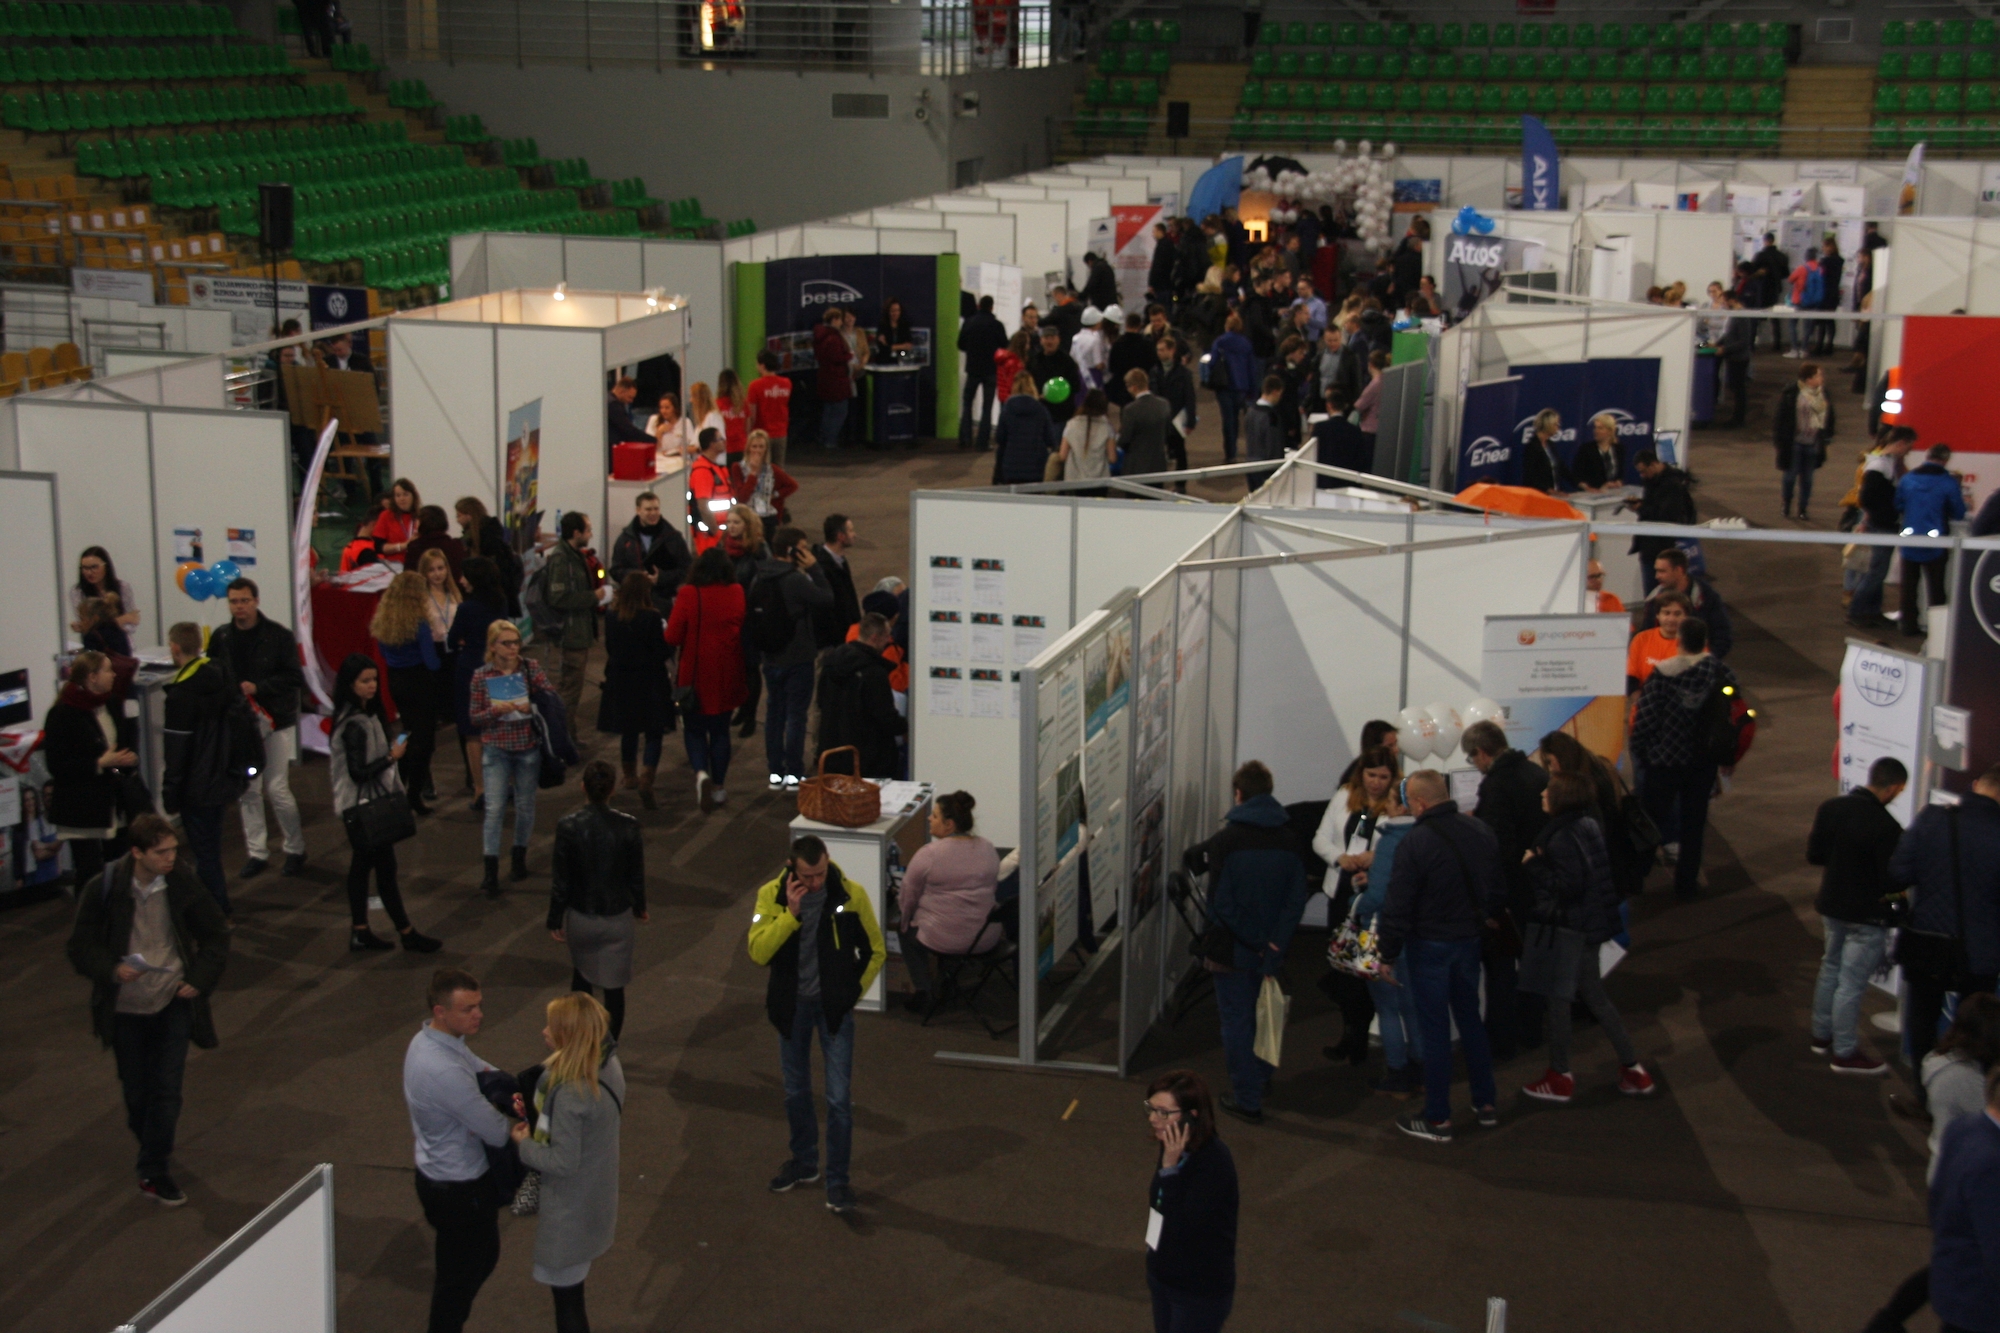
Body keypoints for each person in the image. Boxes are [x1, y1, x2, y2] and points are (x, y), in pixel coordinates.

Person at [66, 812, 230, 1209]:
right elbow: (80, 946)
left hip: (171, 1001)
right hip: (126, 1010)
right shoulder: (104, 887)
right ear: (137, 852)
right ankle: (153, 1150)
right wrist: (111, 969)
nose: (171, 858)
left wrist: (199, 979)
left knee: (167, 1092)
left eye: (173, 850)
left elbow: (215, 934)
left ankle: (153, 1169)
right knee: (137, 1093)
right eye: (161, 852)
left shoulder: (182, 882)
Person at [746, 834, 885, 1216]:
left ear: (828, 861)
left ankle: (837, 1181)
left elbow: (875, 950)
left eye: (821, 873)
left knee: (839, 1099)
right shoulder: (769, 898)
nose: (816, 882)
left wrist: (849, 994)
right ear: (792, 869)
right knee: (796, 1092)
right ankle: (805, 1162)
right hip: (792, 1009)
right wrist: (790, 917)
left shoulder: (851, 895)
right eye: (808, 876)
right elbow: (758, 952)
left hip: (833, 1011)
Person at [1375, 769, 1504, 1142]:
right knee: (1471, 1022)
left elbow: (1398, 904)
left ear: (1419, 802)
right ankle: (1486, 1102)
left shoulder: (1415, 842)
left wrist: (1387, 952)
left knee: (1434, 1032)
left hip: (1429, 945)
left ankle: (1437, 1118)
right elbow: (1497, 887)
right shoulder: (1480, 830)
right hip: (1468, 941)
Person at [1180, 761, 1310, 1124]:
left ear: (1238, 794)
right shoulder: (1290, 839)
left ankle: (1248, 1098)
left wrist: (1253, 940)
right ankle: (1261, 1078)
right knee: (1267, 1016)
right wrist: (1273, 944)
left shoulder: (1226, 840)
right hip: (1273, 951)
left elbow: (1222, 904)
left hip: (1232, 949)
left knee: (1237, 1023)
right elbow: (1296, 899)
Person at [1517, 772, 1655, 1103]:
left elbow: (1568, 886)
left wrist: (1534, 865)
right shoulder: (1588, 825)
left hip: (1570, 930)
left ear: (1561, 797)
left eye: (1548, 791)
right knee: (1595, 997)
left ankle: (1560, 1076)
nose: (1542, 794)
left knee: (1559, 1002)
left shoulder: (1561, 837)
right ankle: (1633, 1069)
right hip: (1590, 926)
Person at [1865, 996, 2000, 1333]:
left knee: (1946, 1263)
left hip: (1946, 1171)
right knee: (1954, 1264)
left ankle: (1886, 1322)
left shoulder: (1942, 1066)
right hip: (1977, 1304)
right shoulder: (1969, 1088)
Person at [403, 968, 514, 1333]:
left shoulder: (431, 1040)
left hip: (442, 1178)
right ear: (440, 1011)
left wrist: (506, 1086)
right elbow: (495, 1131)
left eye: (479, 1005)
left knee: (470, 1265)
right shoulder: (442, 1070)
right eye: (468, 1009)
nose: (479, 1014)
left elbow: (478, 1068)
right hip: (460, 1190)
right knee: (459, 1281)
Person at [510, 992, 625, 1333]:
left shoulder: (571, 1092)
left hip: (571, 1211)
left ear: (570, 1035)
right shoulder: (608, 1066)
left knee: (568, 1302)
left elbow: (561, 1161)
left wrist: (524, 1144)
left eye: (552, 1027)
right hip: (596, 1197)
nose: (545, 1031)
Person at [1890, 763, 2000, 1082]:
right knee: (1976, 1031)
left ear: (1976, 784)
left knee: (1922, 1022)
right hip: (1980, 953)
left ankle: (1924, 1092)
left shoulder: (1933, 819)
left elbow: (1898, 872)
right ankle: (1968, 1096)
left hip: (1928, 942)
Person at [328, 654, 442, 953]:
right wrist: (392, 756)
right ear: (350, 684)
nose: (372, 686)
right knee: (382, 870)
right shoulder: (355, 724)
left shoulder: (363, 716)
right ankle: (404, 933)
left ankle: (365, 931)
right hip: (363, 806)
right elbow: (358, 772)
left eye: (374, 680)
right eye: (364, 681)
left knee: (365, 868)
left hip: (362, 806)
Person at [1806, 755, 1907, 1075]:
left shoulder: (1831, 808)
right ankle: (1845, 1052)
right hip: (1866, 916)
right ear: (1892, 788)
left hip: (1832, 905)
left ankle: (1821, 1035)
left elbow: (1815, 855)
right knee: (1851, 984)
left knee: (1830, 969)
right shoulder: (1887, 827)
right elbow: (1890, 881)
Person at [1630, 616, 1736, 901]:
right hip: (1702, 763)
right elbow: (1734, 716)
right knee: (1693, 825)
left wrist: (1641, 752)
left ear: (1678, 641)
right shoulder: (1721, 672)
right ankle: (1686, 884)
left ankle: (1637, 878)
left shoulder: (1662, 674)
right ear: (1705, 642)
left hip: (1663, 763)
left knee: (1650, 822)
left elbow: (1645, 719)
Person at [207, 578, 307, 879]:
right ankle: (257, 852)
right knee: (248, 790)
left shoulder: (279, 636)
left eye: (244, 601)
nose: (239, 607)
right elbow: (213, 674)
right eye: (234, 601)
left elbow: (294, 678)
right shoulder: (221, 637)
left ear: (256, 601)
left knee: (276, 788)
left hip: (275, 721)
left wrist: (259, 687)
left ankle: (295, 848)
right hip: (240, 723)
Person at [1461, 719, 1548, 1062]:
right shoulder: (1536, 773)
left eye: (1472, 758)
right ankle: (1532, 1030)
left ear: (1481, 752)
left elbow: (1495, 848)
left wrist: (1492, 901)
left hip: (1510, 891)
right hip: (1539, 884)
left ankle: (1501, 1039)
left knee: (1500, 968)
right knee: (1534, 964)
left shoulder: (1497, 786)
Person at [1312, 745, 1397, 1067]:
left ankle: (1358, 1036)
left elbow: (1403, 848)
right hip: (1341, 894)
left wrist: (1377, 858)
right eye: (1371, 775)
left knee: (1365, 971)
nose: (1376, 782)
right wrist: (1339, 857)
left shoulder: (1397, 804)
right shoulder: (1345, 796)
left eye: (1383, 777)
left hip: (1372, 901)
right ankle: (1351, 1033)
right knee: (1342, 968)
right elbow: (1320, 839)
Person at [550, 764, 646, 1041]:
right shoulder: (629, 825)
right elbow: (635, 874)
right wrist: (640, 907)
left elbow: (561, 879)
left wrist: (555, 918)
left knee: (581, 981)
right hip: (617, 918)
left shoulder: (568, 826)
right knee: (614, 991)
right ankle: (608, 1050)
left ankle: (579, 1045)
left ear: (583, 787)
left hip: (581, 917)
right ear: (612, 790)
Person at [1143, 1068, 1238, 1333]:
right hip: (1163, 1275)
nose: (1153, 1118)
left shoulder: (1214, 1163)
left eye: (1163, 1112)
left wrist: (1169, 1169)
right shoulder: (1174, 1143)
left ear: (1191, 1115)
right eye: (1151, 1108)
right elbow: (1160, 1204)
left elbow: (1187, 1225)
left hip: (1197, 1290)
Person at [162, 621, 243, 914]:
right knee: (211, 848)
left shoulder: (181, 695)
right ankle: (215, 909)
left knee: (204, 853)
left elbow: (177, 752)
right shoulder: (221, 677)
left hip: (196, 785)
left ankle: (216, 912)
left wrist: (169, 793)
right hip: (221, 777)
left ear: (174, 648)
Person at [894, 789, 1001, 1011]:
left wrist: (905, 920)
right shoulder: (988, 847)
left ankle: (924, 992)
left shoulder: (929, 854)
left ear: (949, 824)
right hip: (987, 937)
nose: (929, 818)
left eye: (934, 816)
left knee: (905, 931)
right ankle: (948, 981)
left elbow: (907, 897)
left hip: (946, 937)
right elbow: (992, 889)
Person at [470, 620, 554, 896]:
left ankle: (519, 857)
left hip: (527, 747)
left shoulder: (530, 668)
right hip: (496, 749)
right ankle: (490, 872)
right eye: (506, 643)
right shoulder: (481, 676)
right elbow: (474, 718)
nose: (513, 648)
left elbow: (551, 699)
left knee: (525, 805)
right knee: (494, 809)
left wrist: (531, 704)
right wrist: (497, 710)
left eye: (516, 642)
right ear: (493, 646)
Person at [45, 651, 139, 888]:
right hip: (81, 807)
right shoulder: (62, 714)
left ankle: (115, 911)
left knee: (119, 868)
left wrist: (126, 759)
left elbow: (122, 743)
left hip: (112, 802)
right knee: (90, 875)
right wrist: (98, 764)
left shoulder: (111, 704)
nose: (114, 674)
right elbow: (56, 765)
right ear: (92, 677)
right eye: (108, 670)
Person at [665, 546, 747, 812]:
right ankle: (719, 787)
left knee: (694, 729)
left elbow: (672, 636)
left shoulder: (689, 594)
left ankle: (701, 773)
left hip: (695, 673)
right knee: (721, 731)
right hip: (727, 671)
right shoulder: (737, 591)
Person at [752, 526, 834, 789]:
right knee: (796, 716)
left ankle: (775, 772)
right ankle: (795, 773)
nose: (807, 553)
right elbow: (826, 598)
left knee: (774, 715)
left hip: (771, 658)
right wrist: (815, 569)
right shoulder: (795, 580)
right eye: (804, 548)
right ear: (791, 551)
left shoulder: (760, 576)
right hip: (798, 658)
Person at [1925, 1065, 2000, 1333]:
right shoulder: (1993, 1162)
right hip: (1983, 1300)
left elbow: (1937, 1196)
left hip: (1955, 1276)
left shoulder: (1964, 1127)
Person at [596, 572, 673, 811]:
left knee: (628, 730)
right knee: (654, 731)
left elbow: (610, 648)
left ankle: (629, 776)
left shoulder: (612, 616)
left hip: (621, 681)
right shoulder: (652, 617)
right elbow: (661, 651)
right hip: (650, 681)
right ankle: (647, 778)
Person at [371, 570, 443, 813]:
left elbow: (383, 653)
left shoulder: (384, 621)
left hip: (396, 681)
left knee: (406, 731)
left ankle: (397, 782)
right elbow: (431, 662)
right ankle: (414, 794)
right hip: (420, 682)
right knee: (425, 741)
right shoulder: (419, 625)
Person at [447, 558, 508, 812]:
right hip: (500, 669)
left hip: (470, 672)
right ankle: (505, 784)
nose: (461, 580)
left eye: (465, 576)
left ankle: (480, 789)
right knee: (501, 728)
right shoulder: (501, 603)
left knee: (473, 733)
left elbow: (452, 640)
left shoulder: (466, 609)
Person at [814, 611, 904, 778]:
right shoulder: (875, 673)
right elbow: (885, 716)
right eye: (887, 636)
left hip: (833, 751)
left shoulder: (831, 662)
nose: (889, 641)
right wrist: (906, 727)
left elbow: (821, 701)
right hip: (867, 759)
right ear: (875, 638)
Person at [533, 511, 599, 725]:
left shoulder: (575, 555)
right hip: (570, 634)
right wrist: (594, 597)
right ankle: (561, 735)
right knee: (569, 688)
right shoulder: (562, 559)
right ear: (576, 532)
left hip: (579, 630)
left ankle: (566, 734)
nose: (591, 534)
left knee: (573, 687)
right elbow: (558, 597)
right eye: (588, 530)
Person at [1897, 442, 1967, 638]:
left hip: (1909, 539)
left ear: (1927, 457)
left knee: (1908, 587)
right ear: (1945, 460)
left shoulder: (1908, 479)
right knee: (1936, 588)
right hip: (1937, 542)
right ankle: (1938, 630)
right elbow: (1958, 512)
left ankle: (1908, 626)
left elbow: (1898, 504)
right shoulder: (1948, 483)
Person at [1850, 428, 1916, 629]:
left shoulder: (1884, 463)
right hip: (1882, 525)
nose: (1909, 450)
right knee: (1876, 572)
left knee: (1877, 570)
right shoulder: (1881, 466)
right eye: (1909, 445)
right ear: (1901, 442)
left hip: (1882, 523)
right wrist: (1885, 512)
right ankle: (1858, 611)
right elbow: (1867, 497)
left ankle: (1871, 611)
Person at [417, 550, 464, 790]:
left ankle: (472, 776)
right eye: (432, 570)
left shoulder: (454, 594)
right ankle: (424, 779)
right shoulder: (421, 598)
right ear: (424, 573)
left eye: (441, 568)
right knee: (426, 723)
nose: (437, 574)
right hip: (432, 656)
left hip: (454, 655)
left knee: (461, 716)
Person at [608, 488, 693, 620]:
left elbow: (687, 569)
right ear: (638, 510)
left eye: (656, 509)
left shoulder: (673, 538)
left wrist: (661, 577)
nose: (653, 513)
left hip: (664, 604)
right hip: (634, 605)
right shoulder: (625, 539)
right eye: (648, 509)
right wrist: (638, 577)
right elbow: (615, 570)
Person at [722, 506, 768, 738]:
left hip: (749, 620)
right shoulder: (723, 548)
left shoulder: (759, 551)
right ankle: (740, 708)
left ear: (747, 525)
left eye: (736, 522)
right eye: (729, 522)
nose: (731, 527)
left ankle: (750, 716)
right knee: (734, 668)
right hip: (727, 618)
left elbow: (762, 586)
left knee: (750, 668)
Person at [1636, 547, 1733, 658]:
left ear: (1679, 570)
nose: (1657, 576)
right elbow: (1645, 635)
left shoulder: (1706, 597)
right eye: (1656, 571)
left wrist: (1704, 662)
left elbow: (1722, 637)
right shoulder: (1655, 598)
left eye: (1662, 571)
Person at [1625, 450, 1699, 591]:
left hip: (1662, 547)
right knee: (1653, 593)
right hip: (1650, 546)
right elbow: (1656, 506)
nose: (1642, 475)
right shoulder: (1653, 481)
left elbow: (1667, 516)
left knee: (1660, 593)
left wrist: (1641, 508)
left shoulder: (1672, 485)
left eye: (1643, 471)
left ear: (1653, 464)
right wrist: (1641, 504)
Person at [1773, 362, 1834, 521]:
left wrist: (1826, 438)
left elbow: (1829, 417)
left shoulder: (1823, 394)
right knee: (1790, 476)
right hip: (1794, 442)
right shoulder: (1792, 393)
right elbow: (1780, 418)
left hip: (1813, 442)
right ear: (1808, 379)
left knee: (1807, 479)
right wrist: (1779, 440)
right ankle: (1786, 502)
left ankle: (1803, 508)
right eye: (1818, 375)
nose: (1822, 378)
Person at [455, 496, 524, 615]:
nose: (457, 520)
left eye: (458, 516)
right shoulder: (487, 535)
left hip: (492, 597)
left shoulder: (487, 540)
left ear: (469, 515)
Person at [957, 295, 1008, 451]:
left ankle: (965, 438)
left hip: (972, 369)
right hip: (991, 370)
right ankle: (982, 442)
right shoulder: (997, 325)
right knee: (987, 407)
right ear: (992, 307)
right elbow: (1004, 345)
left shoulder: (969, 322)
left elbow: (960, 344)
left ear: (979, 305)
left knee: (967, 403)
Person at [993, 372, 1058, 485]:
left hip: (1012, 465)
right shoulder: (1041, 409)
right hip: (1036, 465)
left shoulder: (1008, 408)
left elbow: (1000, 437)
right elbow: (1050, 439)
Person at [1206, 312, 1255, 463]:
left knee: (1227, 419)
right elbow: (1251, 368)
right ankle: (1236, 448)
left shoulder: (1220, 341)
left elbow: (1212, 362)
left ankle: (1230, 452)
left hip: (1224, 385)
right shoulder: (1246, 343)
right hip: (1241, 386)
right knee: (1236, 418)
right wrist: (1252, 390)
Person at [1627, 590, 1689, 695]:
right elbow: (1631, 678)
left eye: (1677, 614)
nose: (1671, 619)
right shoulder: (1641, 639)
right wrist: (1641, 701)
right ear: (1657, 615)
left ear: (1686, 616)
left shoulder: (1692, 642)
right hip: (1645, 700)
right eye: (1666, 613)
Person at [731, 430, 797, 529]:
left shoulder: (772, 469)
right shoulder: (738, 467)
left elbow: (792, 485)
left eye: (761, 447)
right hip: (747, 517)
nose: (757, 450)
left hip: (768, 516)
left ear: (766, 449)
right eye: (754, 446)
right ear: (748, 448)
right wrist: (753, 474)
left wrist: (775, 495)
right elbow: (742, 498)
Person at [813, 513, 861, 645]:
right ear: (840, 536)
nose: (854, 535)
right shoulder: (822, 568)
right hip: (835, 641)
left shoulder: (840, 561)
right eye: (850, 530)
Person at [1152, 336, 1196, 476]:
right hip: (1160, 418)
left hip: (1176, 418)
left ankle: (1181, 481)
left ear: (1172, 351)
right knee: (1158, 452)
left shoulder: (1184, 374)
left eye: (1162, 350)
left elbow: (1190, 398)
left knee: (1180, 451)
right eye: (1158, 350)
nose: (1159, 353)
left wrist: (1190, 421)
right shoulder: (1154, 372)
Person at [685, 426, 733, 555]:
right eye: (720, 439)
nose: (724, 441)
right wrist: (716, 533)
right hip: (710, 537)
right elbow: (703, 507)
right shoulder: (703, 471)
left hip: (721, 534)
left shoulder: (716, 468)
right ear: (712, 444)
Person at [1119, 366, 1173, 479]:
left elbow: (1124, 440)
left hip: (1136, 467)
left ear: (1133, 387)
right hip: (1158, 464)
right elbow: (1169, 433)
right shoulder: (1164, 404)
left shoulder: (1130, 410)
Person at [1028, 324, 1083, 430]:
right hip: (1039, 411)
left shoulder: (1067, 361)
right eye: (1046, 338)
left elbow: (1076, 385)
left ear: (1058, 340)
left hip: (1061, 413)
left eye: (1052, 338)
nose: (1049, 341)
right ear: (1041, 340)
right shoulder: (1035, 360)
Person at [73, 545, 141, 631]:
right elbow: (87, 626)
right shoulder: (78, 592)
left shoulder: (123, 587)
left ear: (106, 566)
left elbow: (133, 621)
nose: (89, 573)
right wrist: (122, 619)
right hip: (95, 639)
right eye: (85, 568)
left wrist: (105, 625)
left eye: (94, 567)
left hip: (121, 637)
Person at [812, 307, 853, 448]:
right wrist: (849, 355)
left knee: (828, 410)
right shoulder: (833, 338)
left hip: (825, 378)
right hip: (836, 379)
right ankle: (830, 440)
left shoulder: (820, 335)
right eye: (840, 319)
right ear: (834, 320)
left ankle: (824, 438)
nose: (842, 322)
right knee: (840, 411)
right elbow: (836, 358)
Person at [1060, 387, 1115, 490]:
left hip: (1074, 481)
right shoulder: (1107, 427)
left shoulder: (1071, 425)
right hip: (1100, 481)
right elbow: (1112, 458)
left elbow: (1062, 455)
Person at [744, 350, 793, 466]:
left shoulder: (755, 386)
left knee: (760, 468)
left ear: (762, 365)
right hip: (781, 433)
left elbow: (752, 414)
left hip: (761, 434)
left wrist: (748, 434)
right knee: (778, 469)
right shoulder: (787, 383)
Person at [1241, 373, 1286, 492]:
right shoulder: (1271, 417)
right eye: (1280, 394)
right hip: (1266, 470)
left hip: (1250, 466)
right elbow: (1274, 447)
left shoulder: (1250, 411)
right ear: (1275, 392)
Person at [405, 506, 469, 585]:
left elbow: (409, 577)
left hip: (425, 590)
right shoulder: (456, 544)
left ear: (422, 523)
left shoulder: (415, 547)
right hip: (455, 589)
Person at [1717, 293, 1754, 428]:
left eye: (1724, 302)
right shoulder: (1733, 315)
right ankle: (1736, 418)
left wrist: (1725, 349)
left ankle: (1738, 419)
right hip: (1733, 357)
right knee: (1735, 388)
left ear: (1732, 301)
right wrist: (1716, 344)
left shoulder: (1741, 316)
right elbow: (1728, 334)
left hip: (1739, 359)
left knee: (1739, 390)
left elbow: (1744, 341)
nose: (1722, 305)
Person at [1107, 310, 1153, 407]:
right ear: (1140, 326)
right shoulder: (1147, 343)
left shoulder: (1118, 344)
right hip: (1142, 387)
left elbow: (1112, 367)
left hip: (1123, 388)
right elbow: (1152, 364)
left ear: (1126, 325)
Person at [1569, 413, 1622, 493]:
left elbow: (1620, 473)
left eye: (1600, 428)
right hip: (1592, 494)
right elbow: (1576, 475)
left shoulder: (1619, 449)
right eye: (1595, 428)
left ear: (1610, 431)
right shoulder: (1586, 449)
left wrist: (1618, 482)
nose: (1596, 431)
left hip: (1613, 492)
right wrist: (1587, 488)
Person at [646, 389, 697, 470]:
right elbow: (649, 447)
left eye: (667, 408)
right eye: (661, 407)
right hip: (660, 461)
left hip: (678, 461)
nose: (663, 411)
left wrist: (679, 450)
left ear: (675, 408)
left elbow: (692, 445)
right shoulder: (653, 420)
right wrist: (659, 432)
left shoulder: (685, 422)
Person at [373, 478, 422, 560]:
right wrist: (404, 546)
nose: (402, 499)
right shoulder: (386, 515)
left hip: (418, 561)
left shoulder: (421, 515)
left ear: (413, 496)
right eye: (398, 495)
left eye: (405, 494)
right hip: (395, 562)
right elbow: (378, 547)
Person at [606, 375, 652, 463]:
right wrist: (652, 440)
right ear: (621, 391)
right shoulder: (613, 406)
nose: (631, 401)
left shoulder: (606, 400)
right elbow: (629, 430)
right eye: (630, 397)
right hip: (611, 455)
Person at [75, 593, 133, 659]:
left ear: (95, 619)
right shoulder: (117, 628)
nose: (80, 623)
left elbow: (89, 661)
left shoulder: (91, 636)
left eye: (82, 619)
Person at [1522, 408, 1562, 494]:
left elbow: (1561, 467)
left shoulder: (1550, 444)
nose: (1558, 427)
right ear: (1548, 425)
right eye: (1556, 424)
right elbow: (1530, 476)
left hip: (1551, 494)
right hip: (1537, 495)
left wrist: (1581, 484)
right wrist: (1548, 490)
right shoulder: (1533, 447)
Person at [714, 367, 749, 461]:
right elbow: (747, 427)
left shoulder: (717, 404)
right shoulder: (743, 404)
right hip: (742, 446)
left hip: (725, 448)